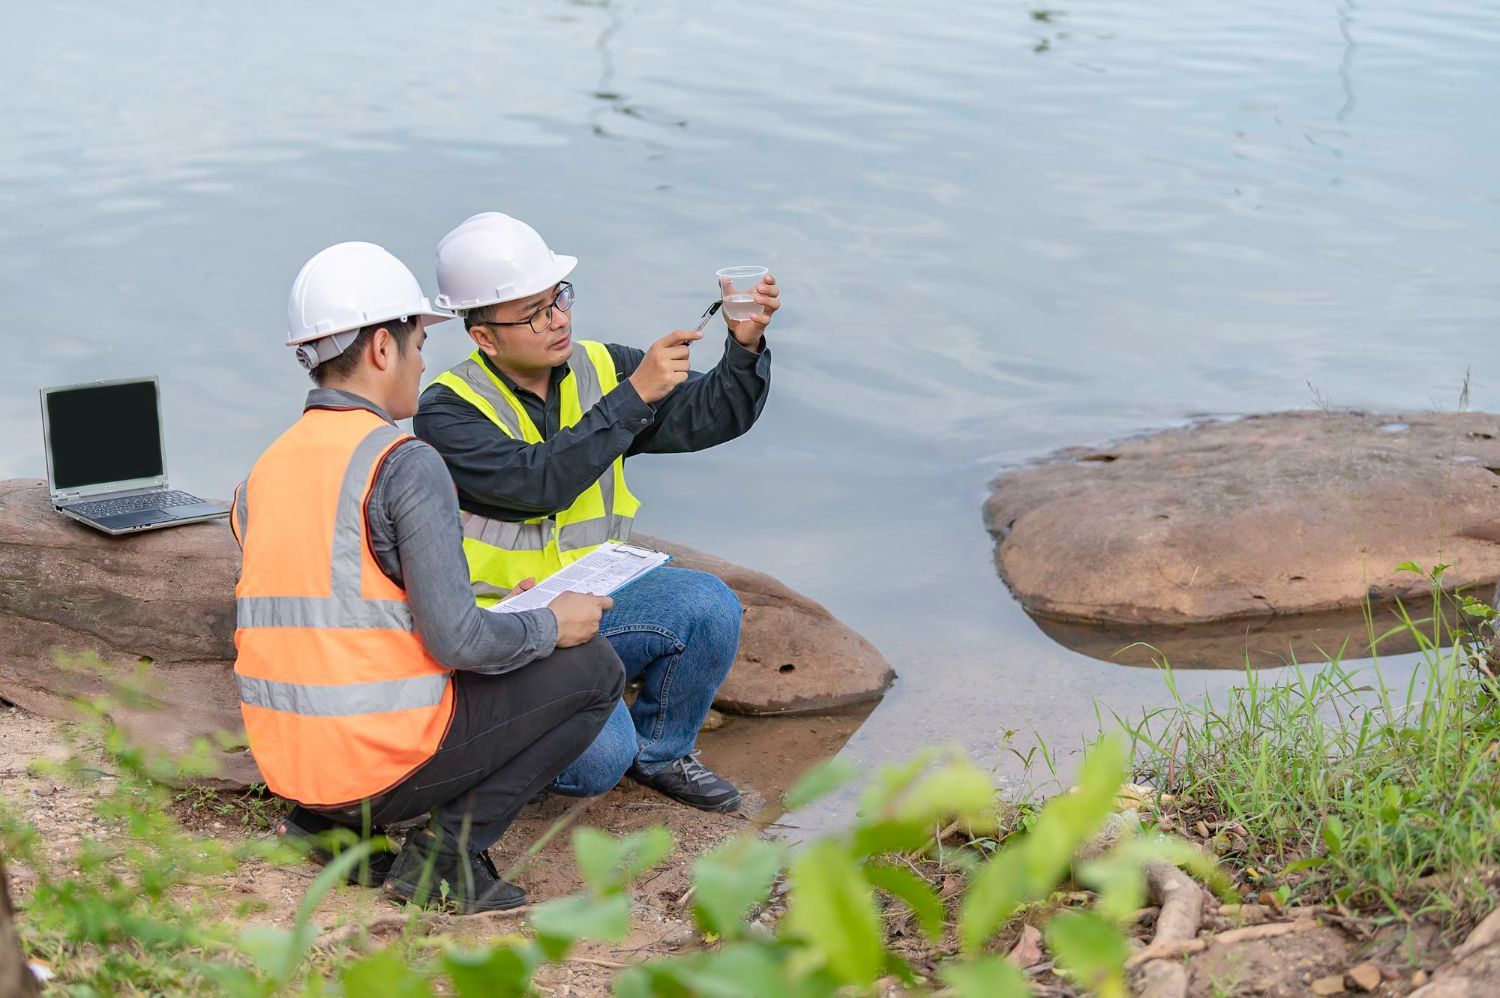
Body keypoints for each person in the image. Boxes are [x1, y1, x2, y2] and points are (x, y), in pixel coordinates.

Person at [230, 241, 623, 914]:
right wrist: (554, 624)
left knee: (518, 647)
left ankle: (329, 837)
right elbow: (456, 644)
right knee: (596, 670)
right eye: (417, 346)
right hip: (375, 765)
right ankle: (445, 862)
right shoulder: (402, 461)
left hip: (291, 764)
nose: (420, 364)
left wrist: (512, 619)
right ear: (383, 347)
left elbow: (356, 613)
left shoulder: (263, 471)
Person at [414, 212, 780, 813]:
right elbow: (536, 484)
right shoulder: (446, 413)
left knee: (706, 604)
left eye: (558, 298)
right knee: (593, 766)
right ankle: (510, 738)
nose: (558, 319)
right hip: (507, 635)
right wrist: (634, 398)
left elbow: (709, 417)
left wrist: (743, 346)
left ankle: (661, 752)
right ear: (484, 336)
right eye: (533, 313)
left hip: (595, 607)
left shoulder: (604, 367)